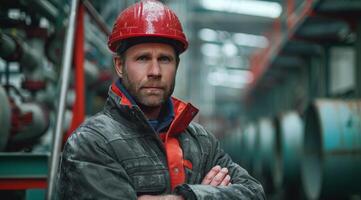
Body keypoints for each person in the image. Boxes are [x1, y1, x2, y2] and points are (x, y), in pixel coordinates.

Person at [56, 0, 265, 199]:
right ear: (119, 65)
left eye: (164, 59)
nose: (155, 71)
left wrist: (188, 197)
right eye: (143, 58)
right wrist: (208, 193)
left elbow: (254, 192)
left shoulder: (201, 142)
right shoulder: (92, 142)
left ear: (176, 66)